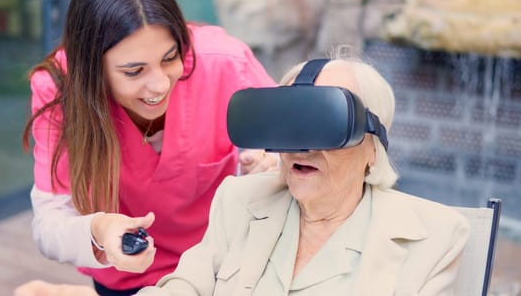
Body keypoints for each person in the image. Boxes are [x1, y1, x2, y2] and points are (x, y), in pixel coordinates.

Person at [21, 0, 277, 296]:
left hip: (219, 267)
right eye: (134, 71)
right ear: (91, 69)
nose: (159, 85)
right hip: (126, 277)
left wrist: (269, 167)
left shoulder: (226, 63)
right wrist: (99, 229)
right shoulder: (59, 88)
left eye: (170, 58)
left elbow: (290, 155)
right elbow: (49, 226)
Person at [130, 56, 471, 295]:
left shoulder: (436, 238)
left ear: (373, 149)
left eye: (324, 124)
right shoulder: (239, 199)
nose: (300, 148)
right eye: (289, 124)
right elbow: (186, 285)